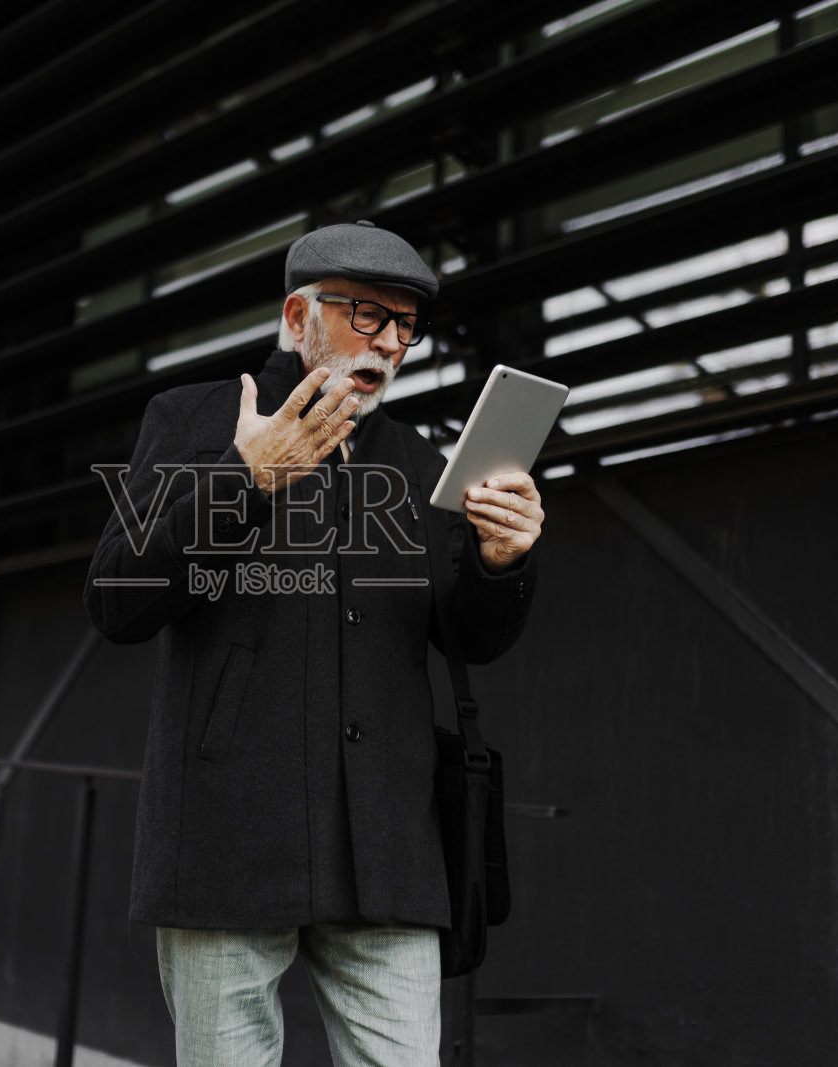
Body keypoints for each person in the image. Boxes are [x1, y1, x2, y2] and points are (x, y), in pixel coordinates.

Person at [84, 220, 544, 1065]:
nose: (393, 343)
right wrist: (248, 477)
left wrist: (501, 560)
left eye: (406, 326)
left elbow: (471, 635)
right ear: (299, 316)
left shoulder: (417, 461)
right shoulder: (193, 418)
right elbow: (117, 597)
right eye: (369, 315)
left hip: (390, 847)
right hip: (229, 835)